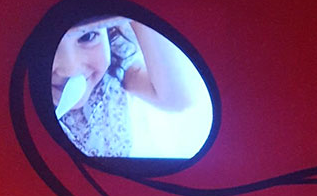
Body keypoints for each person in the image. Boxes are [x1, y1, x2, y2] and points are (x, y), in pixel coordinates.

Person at [51, 16, 212, 158]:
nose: (70, 69)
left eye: (87, 36)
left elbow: (177, 98)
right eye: (48, 48)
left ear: (109, 33)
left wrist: (136, 11)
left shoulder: (116, 63)